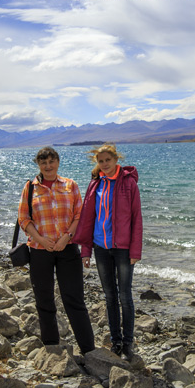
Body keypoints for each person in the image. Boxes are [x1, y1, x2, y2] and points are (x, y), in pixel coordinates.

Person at [17, 146, 95, 357]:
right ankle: (51, 346)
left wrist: (66, 237)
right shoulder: (30, 188)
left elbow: (80, 215)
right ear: (38, 165)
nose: (48, 166)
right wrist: (41, 239)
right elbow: (24, 218)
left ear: (58, 162)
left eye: (51, 162)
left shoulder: (70, 185)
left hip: (67, 248)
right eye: (43, 163)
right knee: (44, 299)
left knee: (74, 299)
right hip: (40, 250)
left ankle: (88, 349)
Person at [73, 143, 143, 359]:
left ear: (116, 160)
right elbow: (87, 219)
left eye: (108, 160)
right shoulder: (95, 184)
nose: (105, 164)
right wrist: (86, 251)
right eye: (101, 161)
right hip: (100, 247)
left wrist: (135, 251)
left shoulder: (129, 183)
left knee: (125, 296)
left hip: (122, 249)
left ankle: (129, 343)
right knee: (110, 296)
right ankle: (116, 342)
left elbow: (136, 219)